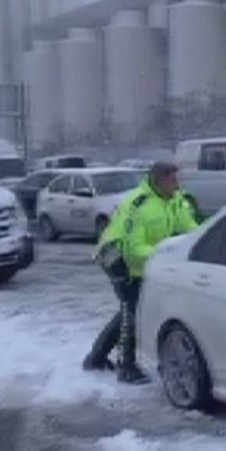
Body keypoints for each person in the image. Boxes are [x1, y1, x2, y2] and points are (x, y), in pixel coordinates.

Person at [83, 161, 200, 384]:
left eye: (178, 179)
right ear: (159, 180)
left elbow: (190, 228)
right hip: (116, 256)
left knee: (131, 308)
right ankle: (125, 367)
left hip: (144, 258)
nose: (177, 184)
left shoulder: (176, 200)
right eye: (173, 180)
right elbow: (133, 248)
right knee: (132, 310)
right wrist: (166, 254)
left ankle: (95, 358)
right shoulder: (137, 204)